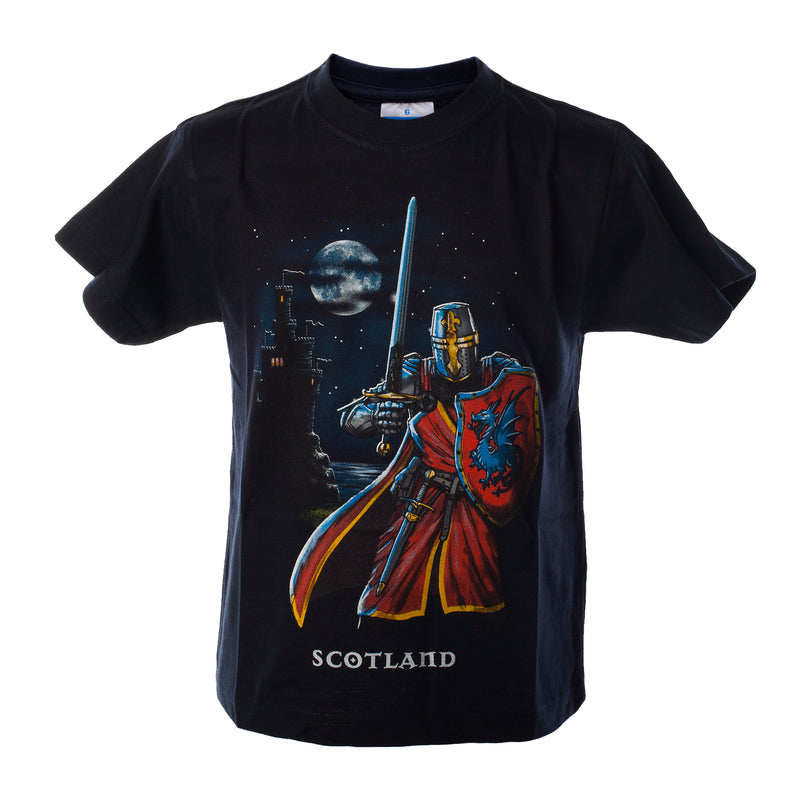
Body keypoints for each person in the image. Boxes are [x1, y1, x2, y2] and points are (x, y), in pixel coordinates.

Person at [289, 301, 542, 627]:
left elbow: (524, 416)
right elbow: (352, 419)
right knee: (389, 585)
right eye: (445, 346)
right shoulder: (414, 376)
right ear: (433, 344)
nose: (453, 354)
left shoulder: (499, 375)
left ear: (475, 339)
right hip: (423, 500)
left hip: (476, 501)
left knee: (478, 593)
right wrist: (379, 415)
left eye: (461, 345)